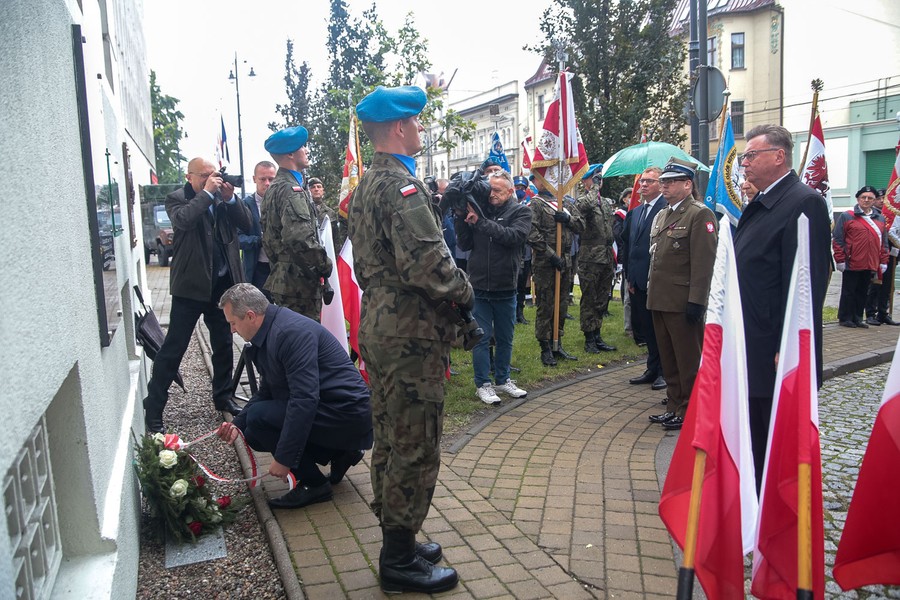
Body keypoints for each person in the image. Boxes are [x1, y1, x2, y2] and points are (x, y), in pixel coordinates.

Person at [348, 85, 471, 594]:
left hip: (382, 324)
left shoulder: (367, 184)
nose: (421, 128)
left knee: (390, 435)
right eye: (416, 122)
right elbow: (431, 266)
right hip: (409, 332)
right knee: (415, 441)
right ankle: (397, 559)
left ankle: (398, 537)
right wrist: (465, 291)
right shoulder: (401, 187)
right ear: (399, 127)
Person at [733, 124, 832, 492]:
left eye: (750, 155)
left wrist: (787, 346)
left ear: (778, 156)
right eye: (744, 157)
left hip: (775, 350)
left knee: (776, 440)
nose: (744, 163)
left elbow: (807, 283)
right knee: (756, 437)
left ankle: (773, 507)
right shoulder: (762, 201)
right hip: (752, 340)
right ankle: (756, 503)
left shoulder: (803, 202)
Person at [215, 284, 372, 509]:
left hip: (347, 414)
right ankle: (342, 452)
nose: (232, 330)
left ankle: (314, 484)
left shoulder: (288, 334)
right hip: (332, 408)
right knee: (250, 429)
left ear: (250, 316)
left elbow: (304, 400)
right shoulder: (271, 330)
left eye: (233, 323)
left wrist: (284, 458)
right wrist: (237, 424)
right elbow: (268, 390)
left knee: (259, 419)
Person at [142, 157, 251, 433]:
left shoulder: (221, 198)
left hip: (221, 286)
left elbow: (248, 224)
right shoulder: (177, 198)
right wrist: (207, 193)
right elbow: (184, 220)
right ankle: (154, 407)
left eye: (213, 174)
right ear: (189, 176)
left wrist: (230, 199)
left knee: (223, 344)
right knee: (174, 349)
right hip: (190, 287)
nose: (210, 179)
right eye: (203, 175)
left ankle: (223, 396)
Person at [646, 159, 718, 431]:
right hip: (660, 298)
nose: (664, 186)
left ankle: (689, 410)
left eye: (671, 181)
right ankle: (674, 405)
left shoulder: (699, 214)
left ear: (688, 184)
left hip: (682, 300)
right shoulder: (663, 214)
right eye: (663, 181)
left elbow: (704, 262)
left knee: (687, 359)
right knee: (669, 358)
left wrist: (697, 300)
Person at [455, 170, 531, 404]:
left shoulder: (521, 212)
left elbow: (513, 237)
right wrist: (461, 218)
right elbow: (464, 244)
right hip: (479, 286)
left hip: (506, 286)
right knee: (481, 337)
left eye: (497, 190)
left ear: (510, 191)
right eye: (490, 190)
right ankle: (483, 384)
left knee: (505, 338)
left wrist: (481, 222)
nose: (492, 195)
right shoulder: (481, 210)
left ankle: (503, 379)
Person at [260, 126, 333, 321]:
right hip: (298, 284)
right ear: (290, 154)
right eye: (302, 146)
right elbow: (299, 237)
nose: (307, 150)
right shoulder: (291, 190)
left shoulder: (275, 188)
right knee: (304, 337)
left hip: (285, 278)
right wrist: (325, 265)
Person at [527, 178, 585, 366]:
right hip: (545, 262)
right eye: (539, 178)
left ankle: (557, 342)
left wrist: (568, 219)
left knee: (561, 304)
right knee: (546, 305)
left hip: (566, 261)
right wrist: (551, 255)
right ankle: (545, 347)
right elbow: (531, 233)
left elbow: (581, 225)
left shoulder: (565, 202)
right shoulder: (536, 204)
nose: (544, 181)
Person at [620, 168, 667, 391]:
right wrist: (629, 276)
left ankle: (664, 371)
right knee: (647, 328)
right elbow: (630, 246)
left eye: (650, 181)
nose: (644, 185)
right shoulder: (636, 212)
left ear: (661, 184)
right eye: (642, 181)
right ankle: (652, 367)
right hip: (637, 280)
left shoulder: (666, 209)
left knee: (661, 330)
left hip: (657, 280)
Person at [575, 164, 617, 353]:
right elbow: (585, 207)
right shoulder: (583, 200)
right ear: (586, 181)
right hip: (590, 257)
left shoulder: (605, 203)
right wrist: (593, 189)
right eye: (595, 178)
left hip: (606, 255)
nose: (599, 182)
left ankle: (597, 333)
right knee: (589, 298)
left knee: (602, 297)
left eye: (600, 178)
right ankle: (589, 338)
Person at [833, 185, 889, 328]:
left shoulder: (880, 218)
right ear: (858, 199)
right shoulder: (847, 216)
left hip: (870, 261)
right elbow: (838, 239)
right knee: (849, 292)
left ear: (874, 200)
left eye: (870, 198)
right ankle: (845, 318)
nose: (866, 200)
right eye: (863, 197)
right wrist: (840, 259)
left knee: (863, 292)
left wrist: (883, 261)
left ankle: (858, 317)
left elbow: (884, 242)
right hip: (852, 260)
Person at [238, 161, 276, 299]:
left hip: (282, 269)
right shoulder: (244, 205)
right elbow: (237, 238)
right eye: (262, 179)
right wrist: (259, 241)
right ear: (254, 179)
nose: (267, 183)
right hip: (258, 269)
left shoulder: (284, 202)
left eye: (271, 179)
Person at [864, 188, 900, 326]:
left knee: (887, 285)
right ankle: (870, 313)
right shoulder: (872, 215)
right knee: (875, 285)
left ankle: (883, 313)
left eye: (883, 198)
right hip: (876, 255)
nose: (881, 201)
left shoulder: (894, 215)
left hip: (891, 254)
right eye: (878, 198)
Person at [513, 175, 533, 324]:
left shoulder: (529, 206)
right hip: (513, 252)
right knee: (512, 283)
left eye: (522, 188)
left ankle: (520, 312)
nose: (520, 190)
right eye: (517, 187)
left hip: (525, 251)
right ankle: (512, 312)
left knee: (522, 284)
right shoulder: (509, 206)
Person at [309, 176, 342, 253]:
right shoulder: (305, 211)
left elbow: (335, 238)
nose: (316, 189)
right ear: (308, 191)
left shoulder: (330, 213)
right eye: (313, 187)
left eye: (319, 187)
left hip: (327, 251)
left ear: (323, 191)